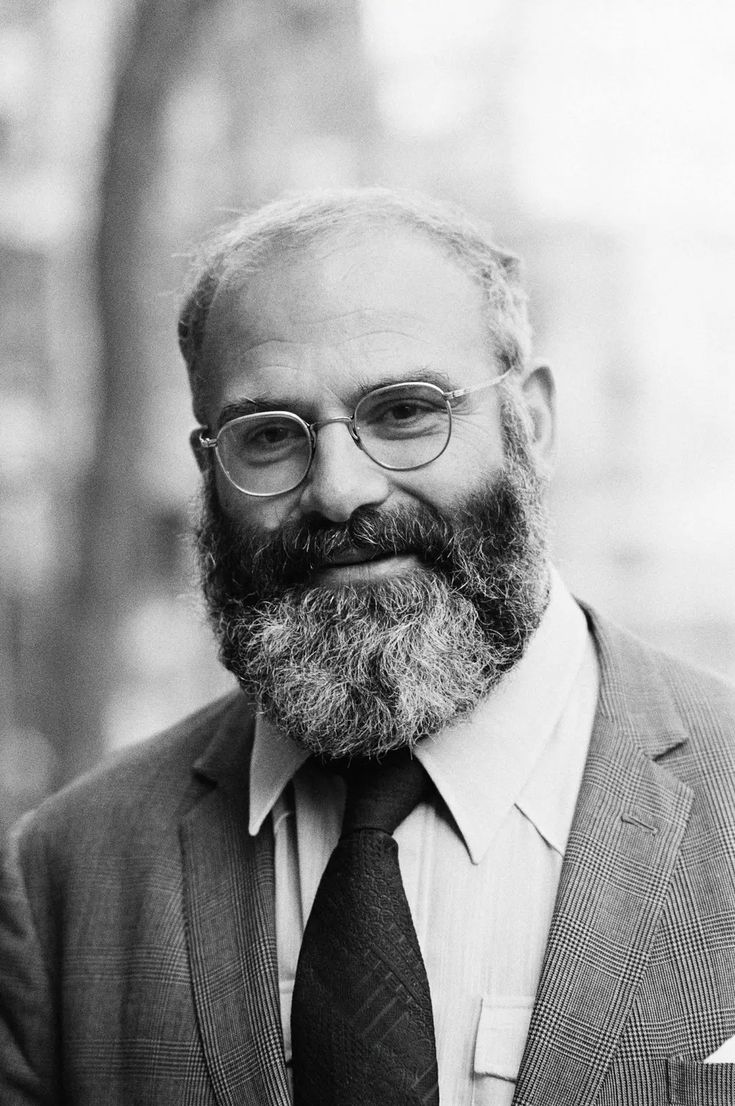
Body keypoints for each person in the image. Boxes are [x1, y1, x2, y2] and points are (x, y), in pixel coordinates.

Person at [2, 188, 735, 1106]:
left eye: (403, 412)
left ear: (532, 424)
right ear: (207, 472)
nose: (342, 490)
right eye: (269, 436)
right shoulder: (66, 870)